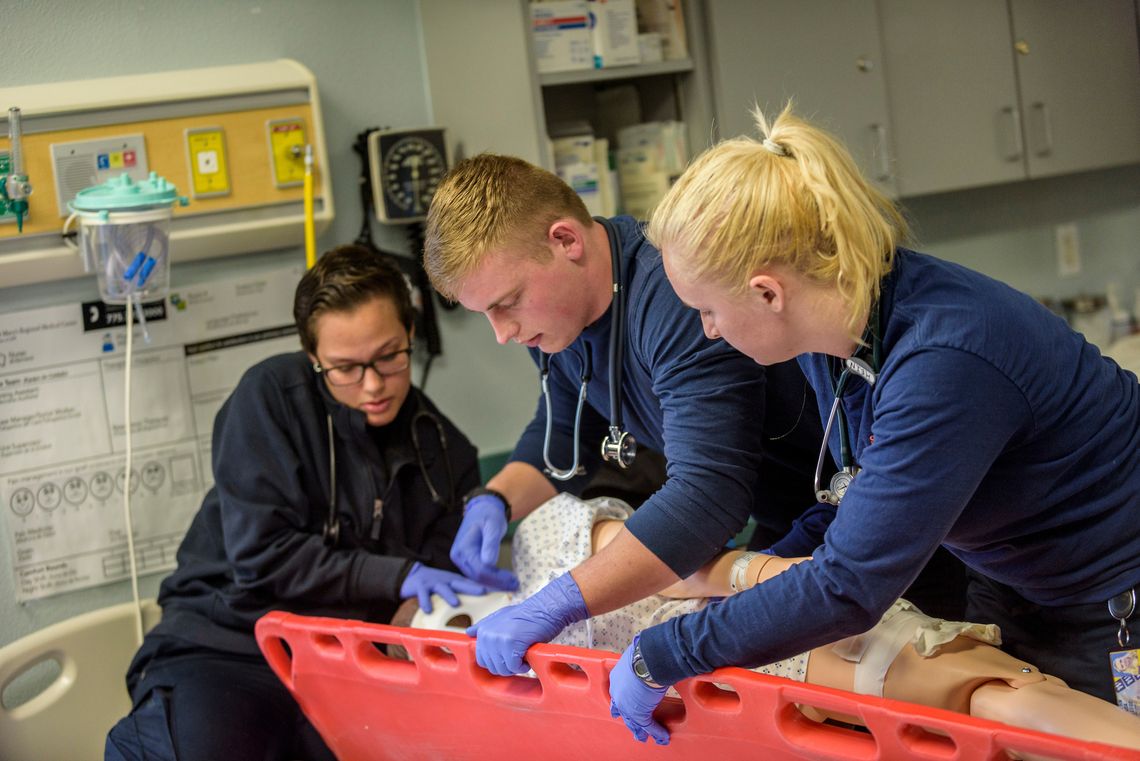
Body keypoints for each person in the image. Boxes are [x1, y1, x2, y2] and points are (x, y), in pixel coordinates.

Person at [605, 103, 1140, 743]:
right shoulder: (840, 337)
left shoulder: (945, 358)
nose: (707, 331)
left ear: (767, 292)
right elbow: (858, 493)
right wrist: (751, 581)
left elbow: (848, 586)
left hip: (1114, 597)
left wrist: (663, 651)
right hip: (1012, 579)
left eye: (709, 310)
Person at [421, 152, 854, 676]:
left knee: (888, 660)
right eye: (485, 313)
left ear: (565, 241)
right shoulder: (560, 322)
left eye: (507, 302)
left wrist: (558, 604)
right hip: (786, 520)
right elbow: (565, 431)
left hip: (860, 503)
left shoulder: (672, 296)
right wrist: (494, 500)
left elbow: (706, 496)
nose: (502, 332)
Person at [104, 245, 486, 761]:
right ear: (313, 358)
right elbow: (263, 559)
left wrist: (436, 603)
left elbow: (432, 588)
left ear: (411, 333)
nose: (373, 385)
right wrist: (396, 575)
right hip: (230, 647)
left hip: (348, 667)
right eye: (345, 368)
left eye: (389, 356)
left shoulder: (444, 450)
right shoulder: (269, 400)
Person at [395, 492, 1140, 751]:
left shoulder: (546, 535)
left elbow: (693, 569)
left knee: (970, 691)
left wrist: (794, 582)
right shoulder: (488, 660)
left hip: (783, 628)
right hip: (753, 679)